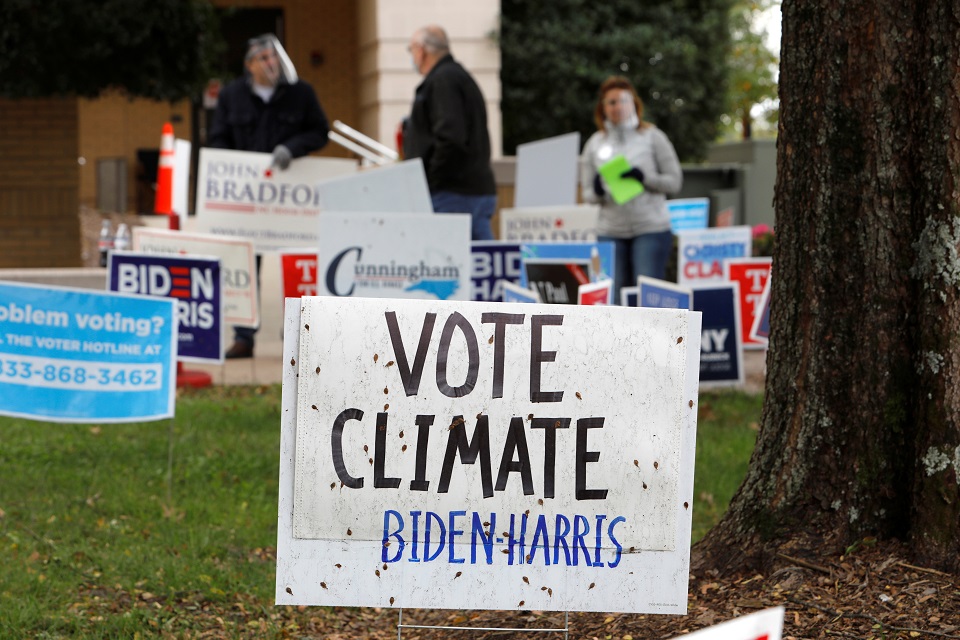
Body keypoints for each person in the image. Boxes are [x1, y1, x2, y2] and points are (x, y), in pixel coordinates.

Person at [208, 34, 330, 358]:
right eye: (263, 58)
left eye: (274, 57)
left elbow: (320, 131)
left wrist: (293, 148)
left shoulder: (300, 93)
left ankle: (299, 334)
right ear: (249, 65)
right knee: (246, 265)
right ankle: (244, 337)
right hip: (249, 202)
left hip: (290, 201)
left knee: (295, 264)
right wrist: (234, 169)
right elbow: (218, 138)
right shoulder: (232, 96)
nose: (271, 63)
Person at [580, 75, 682, 300]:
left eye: (623, 100)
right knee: (612, 297)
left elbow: (675, 181)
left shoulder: (653, 137)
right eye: (611, 102)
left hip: (650, 229)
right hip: (610, 231)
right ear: (603, 108)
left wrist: (645, 178)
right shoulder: (594, 144)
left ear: (634, 104)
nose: (618, 107)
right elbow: (587, 194)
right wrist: (597, 190)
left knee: (648, 298)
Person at [403, 25, 497, 240]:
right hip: (475, 188)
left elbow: (450, 137)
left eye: (411, 50)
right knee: (481, 264)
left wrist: (432, 180)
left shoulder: (442, 81)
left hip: (450, 193)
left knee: (446, 264)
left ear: (421, 50)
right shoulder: (461, 78)